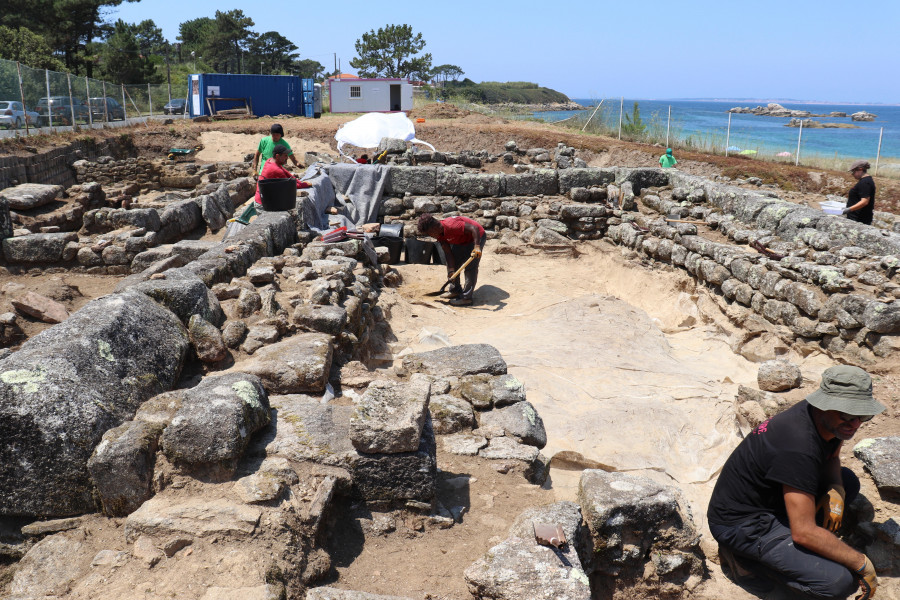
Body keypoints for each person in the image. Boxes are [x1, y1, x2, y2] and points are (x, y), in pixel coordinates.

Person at [708, 365, 884, 600]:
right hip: (742, 525)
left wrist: (836, 488)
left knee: (848, 482)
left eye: (863, 416)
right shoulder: (797, 445)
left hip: (772, 498)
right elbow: (804, 533)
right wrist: (861, 562)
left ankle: (794, 552)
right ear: (824, 404)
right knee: (839, 583)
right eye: (848, 416)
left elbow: (832, 456)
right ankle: (744, 563)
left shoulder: (821, 419)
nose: (855, 424)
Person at [417, 213, 486, 307]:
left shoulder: (452, 225)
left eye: (429, 233)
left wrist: (477, 246)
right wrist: (451, 271)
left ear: (434, 228)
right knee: (454, 263)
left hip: (476, 236)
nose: (430, 236)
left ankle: (466, 298)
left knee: (470, 267)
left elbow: (474, 229)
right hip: (461, 240)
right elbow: (448, 254)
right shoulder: (439, 235)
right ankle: (455, 290)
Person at [843, 160, 875, 225]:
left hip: (859, 219)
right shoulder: (865, 181)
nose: (852, 174)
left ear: (860, 169)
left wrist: (848, 209)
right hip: (856, 217)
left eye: (853, 172)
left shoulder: (865, 183)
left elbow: (864, 201)